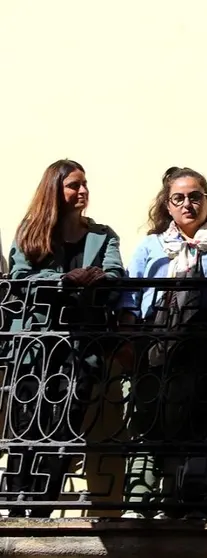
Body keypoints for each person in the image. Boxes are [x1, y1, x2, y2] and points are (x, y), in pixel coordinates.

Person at [6, 159, 124, 517]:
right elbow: (19, 279)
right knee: (27, 426)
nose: (83, 191)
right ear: (55, 190)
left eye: (84, 184)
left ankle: (41, 509)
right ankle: (16, 507)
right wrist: (63, 280)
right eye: (74, 185)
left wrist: (97, 279)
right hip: (34, 348)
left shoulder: (103, 235)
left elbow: (115, 275)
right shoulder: (31, 231)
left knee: (65, 428)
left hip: (81, 349)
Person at [119, 167, 207, 519]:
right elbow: (130, 292)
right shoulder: (151, 245)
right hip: (155, 339)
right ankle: (139, 501)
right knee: (148, 417)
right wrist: (129, 335)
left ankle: (182, 501)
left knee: (194, 419)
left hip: (202, 343)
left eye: (195, 197)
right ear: (167, 204)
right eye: (178, 198)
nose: (187, 204)